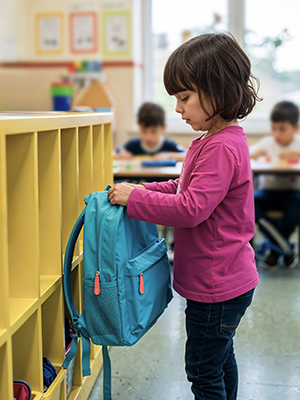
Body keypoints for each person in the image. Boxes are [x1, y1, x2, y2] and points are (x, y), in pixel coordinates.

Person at [108, 33, 260, 400]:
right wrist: (141, 191)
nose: (178, 109)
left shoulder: (221, 146)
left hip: (216, 287)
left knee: (202, 370)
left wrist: (134, 201)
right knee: (220, 360)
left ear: (217, 89)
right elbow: (182, 187)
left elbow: (191, 208)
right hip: (223, 281)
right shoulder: (215, 140)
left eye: (184, 97)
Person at [250, 101, 300, 269]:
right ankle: (285, 249)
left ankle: (275, 250)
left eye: (283, 129)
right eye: (274, 129)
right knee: (249, 203)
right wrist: (256, 155)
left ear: (296, 128)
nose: (277, 134)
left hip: (292, 193)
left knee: (295, 208)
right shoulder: (267, 143)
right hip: (268, 192)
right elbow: (248, 155)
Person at [113, 102, 186, 161]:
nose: (148, 137)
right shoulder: (132, 145)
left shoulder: (169, 145)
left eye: (153, 132)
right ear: (139, 128)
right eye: (144, 131)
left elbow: (187, 156)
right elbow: (111, 154)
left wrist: (169, 155)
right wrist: (120, 156)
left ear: (163, 128)